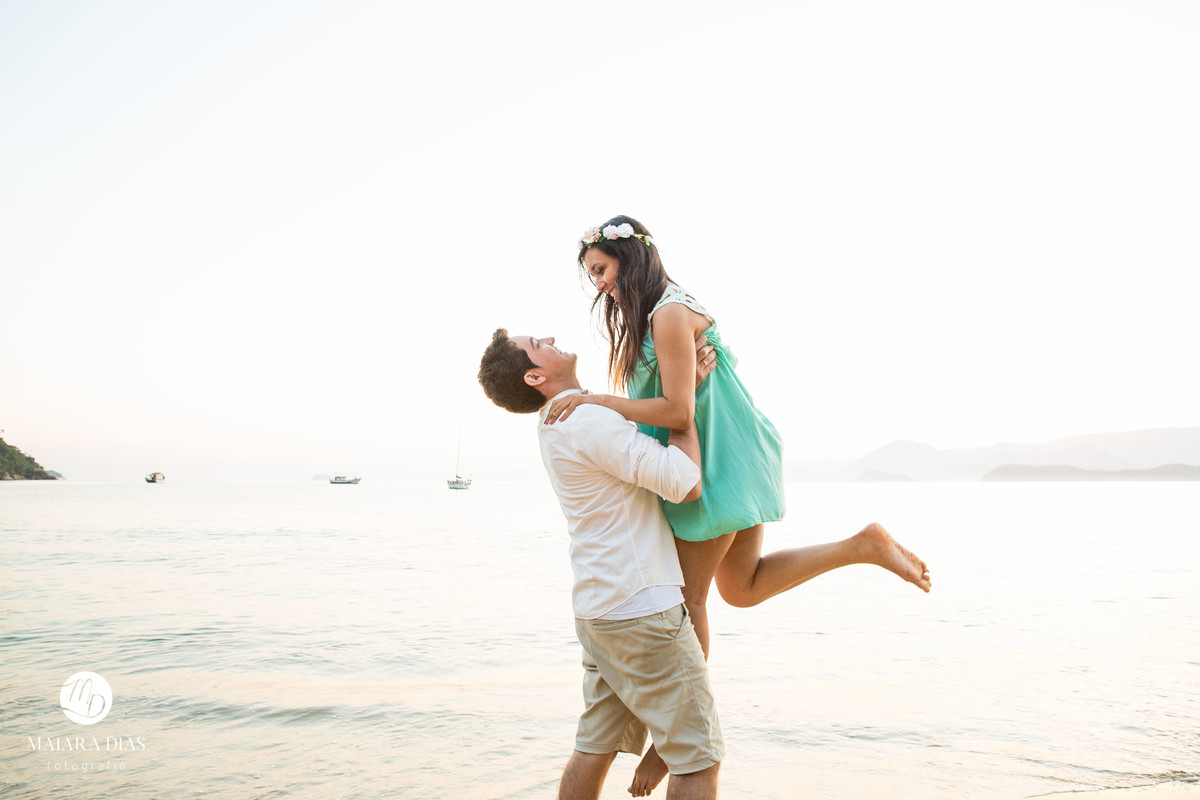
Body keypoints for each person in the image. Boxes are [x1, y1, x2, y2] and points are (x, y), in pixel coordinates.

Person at [546, 215, 933, 794]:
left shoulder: (669, 313)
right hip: (738, 454)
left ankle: (666, 746)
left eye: (601, 269)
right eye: (593, 276)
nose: (599, 284)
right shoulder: (665, 312)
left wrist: (595, 400)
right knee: (742, 587)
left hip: (718, 465)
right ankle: (862, 545)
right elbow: (678, 400)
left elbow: (678, 413)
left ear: (629, 256)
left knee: (688, 600)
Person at [478, 328, 723, 800]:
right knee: (698, 759)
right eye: (537, 342)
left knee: (596, 745)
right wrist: (682, 407)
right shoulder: (585, 420)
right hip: (641, 609)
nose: (549, 337)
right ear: (535, 374)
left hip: (600, 611)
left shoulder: (557, 421)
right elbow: (684, 482)